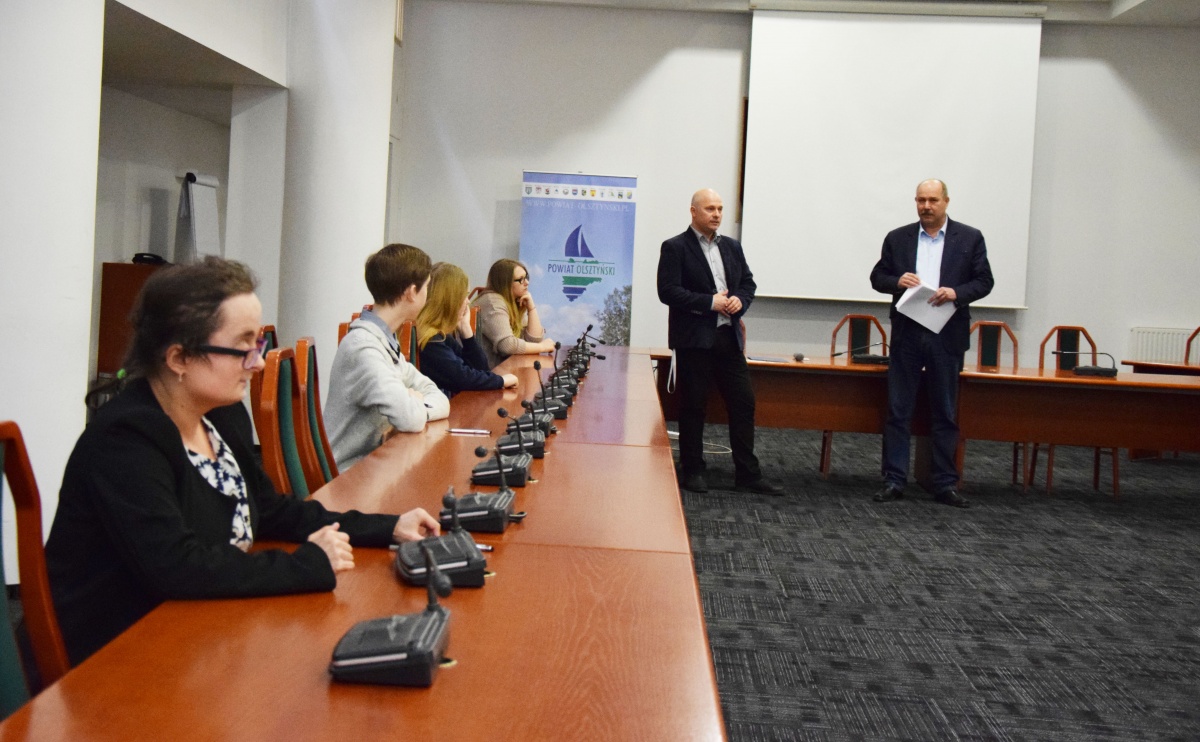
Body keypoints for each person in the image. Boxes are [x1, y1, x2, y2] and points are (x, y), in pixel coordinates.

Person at [46, 257, 442, 665]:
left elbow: (270, 511)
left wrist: (389, 527)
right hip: (118, 656)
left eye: (258, 346)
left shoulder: (221, 415)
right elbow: (176, 566)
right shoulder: (126, 439)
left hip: (200, 631)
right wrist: (308, 563)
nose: (258, 363)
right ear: (179, 358)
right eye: (243, 348)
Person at [869, 179, 994, 508]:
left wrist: (956, 293)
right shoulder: (898, 238)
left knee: (944, 410)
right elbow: (877, 278)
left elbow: (984, 281)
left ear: (946, 202)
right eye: (921, 200)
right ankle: (894, 480)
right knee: (898, 410)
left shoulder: (969, 237)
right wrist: (897, 280)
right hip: (908, 333)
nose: (926, 206)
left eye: (933, 200)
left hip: (946, 334)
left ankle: (944, 483)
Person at [656, 188, 782, 496]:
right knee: (694, 406)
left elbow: (748, 283)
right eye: (710, 208)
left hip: (728, 338)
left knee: (743, 403)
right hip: (694, 340)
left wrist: (740, 300)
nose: (716, 214)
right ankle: (693, 469)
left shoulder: (732, 247)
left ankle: (747, 474)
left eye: (720, 209)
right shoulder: (675, 247)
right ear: (693, 211)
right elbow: (667, 291)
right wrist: (708, 302)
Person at [326, 243, 451, 470]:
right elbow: (410, 418)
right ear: (411, 292)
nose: (428, 294)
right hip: (349, 476)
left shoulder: (384, 341)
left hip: (375, 464)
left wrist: (413, 401)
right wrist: (411, 401)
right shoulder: (364, 348)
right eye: (426, 287)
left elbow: (438, 397)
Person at [416, 262, 519, 396]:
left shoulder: (442, 336)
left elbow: (480, 369)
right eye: (464, 296)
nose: (468, 301)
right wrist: (501, 381)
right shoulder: (430, 340)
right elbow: (462, 378)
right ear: (449, 300)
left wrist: (466, 332)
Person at [471, 258, 555, 368]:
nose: (527, 283)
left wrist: (531, 308)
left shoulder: (514, 301)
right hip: (488, 374)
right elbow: (507, 346)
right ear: (505, 283)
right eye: (520, 279)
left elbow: (534, 340)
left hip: (502, 370)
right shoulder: (493, 302)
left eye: (526, 277)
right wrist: (543, 347)